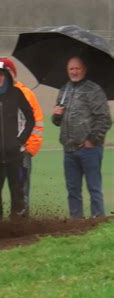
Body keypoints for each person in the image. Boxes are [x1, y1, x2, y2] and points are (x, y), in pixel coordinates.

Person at [52, 56, 111, 218]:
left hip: (89, 150)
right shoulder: (64, 90)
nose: (74, 71)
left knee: (94, 188)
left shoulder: (94, 90)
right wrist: (56, 116)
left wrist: (91, 140)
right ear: (67, 70)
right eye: (71, 68)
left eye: (77, 68)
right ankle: (76, 226)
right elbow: (57, 121)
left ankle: (97, 222)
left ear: (84, 70)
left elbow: (105, 119)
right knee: (73, 191)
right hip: (69, 150)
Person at [0, 61, 35, 219]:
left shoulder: (16, 94)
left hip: (15, 155)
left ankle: (18, 227)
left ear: (6, 77)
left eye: (0, 75)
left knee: (18, 193)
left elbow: (31, 119)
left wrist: (20, 140)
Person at [0, 57, 44, 217]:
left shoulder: (26, 94)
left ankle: (21, 228)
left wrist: (28, 148)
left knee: (21, 191)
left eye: (7, 71)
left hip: (20, 152)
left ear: (13, 73)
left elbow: (36, 123)